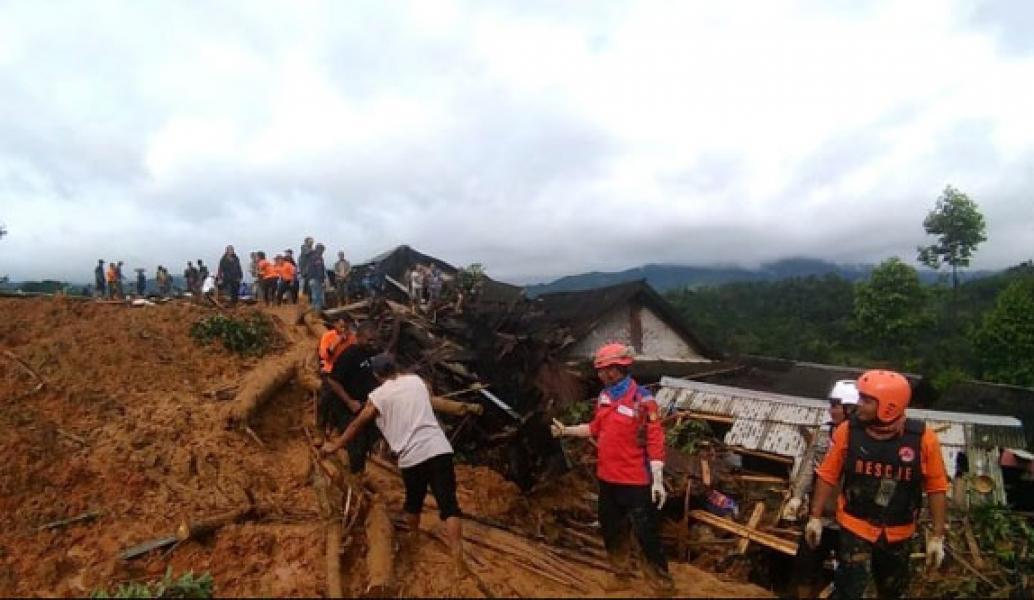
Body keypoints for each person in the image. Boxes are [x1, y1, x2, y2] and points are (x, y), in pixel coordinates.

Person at [807, 370, 948, 600]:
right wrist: (815, 517)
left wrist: (937, 536)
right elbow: (827, 474)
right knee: (849, 589)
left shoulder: (923, 439)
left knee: (892, 590)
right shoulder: (848, 432)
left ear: (889, 406)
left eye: (866, 400)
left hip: (899, 531)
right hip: (855, 525)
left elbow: (937, 488)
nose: (858, 405)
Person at [321, 353, 467, 574]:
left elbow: (356, 425)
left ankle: (414, 539)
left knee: (413, 503)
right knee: (449, 506)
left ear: (377, 374)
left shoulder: (378, 396)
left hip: (411, 456)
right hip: (439, 448)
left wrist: (335, 445)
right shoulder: (416, 381)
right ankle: (458, 555)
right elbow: (426, 392)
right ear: (396, 368)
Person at [551, 343, 674, 593]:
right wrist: (567, 430)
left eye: (603, 370)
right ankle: (621, 574)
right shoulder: (605, 398)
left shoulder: (643, 400)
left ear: (616, 370)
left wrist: (658, 479)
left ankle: (661, 583)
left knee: (645, 533)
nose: (599, 375)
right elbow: (595, 428)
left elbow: (655, 439)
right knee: (612, 529)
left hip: (636, 480)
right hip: (608, 478)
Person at [786, 380, 859, 598]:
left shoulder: (864, 441)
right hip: (820, 518)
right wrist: (797, 497)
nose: (831, 410)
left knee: (850, 575)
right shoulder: (823, 435)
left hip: (850, 523)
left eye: (836, 405)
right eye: (831, 405)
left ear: (851, 408)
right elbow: (809, 466)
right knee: (805, 566)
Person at [321, 321, 379, 474]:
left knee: (366, 441)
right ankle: (354, 477)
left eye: (374, 340)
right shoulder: (349, 354)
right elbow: (332, 380)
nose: (372, 343)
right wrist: (349, 401)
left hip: (364, 406)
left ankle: (359, 473)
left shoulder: (369, 354)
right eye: (369, 340)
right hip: (347, 408)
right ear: (358, 337)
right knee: (355, 443)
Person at [307, 243, 327, 311]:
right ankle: (317, 313)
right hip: (317, 280)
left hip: (311, 279)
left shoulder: (311, 257)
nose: (323, 252)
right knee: (318, 297)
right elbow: (319, 270)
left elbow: (309, 270)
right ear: (320, 250)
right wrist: (322, 281)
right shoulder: (318, 257)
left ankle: (313, 312)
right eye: (322, 250)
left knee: (314, 296)